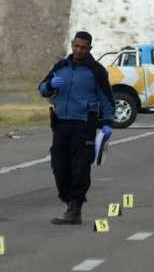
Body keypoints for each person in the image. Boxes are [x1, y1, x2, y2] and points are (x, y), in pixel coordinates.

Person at [38, 32, 115, 225]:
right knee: (59, 166)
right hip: (61, 123)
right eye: (76, 46)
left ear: (89, 49)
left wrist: (107, 122)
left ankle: (75, 207)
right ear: (72, 45)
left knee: (80, 167)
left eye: (83, 47)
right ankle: (68, 200)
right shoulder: (60, 67)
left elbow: (107, 98)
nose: (79, 50)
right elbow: (42, 89)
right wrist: (49, 85)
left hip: (84, 124)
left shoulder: (96, 71)